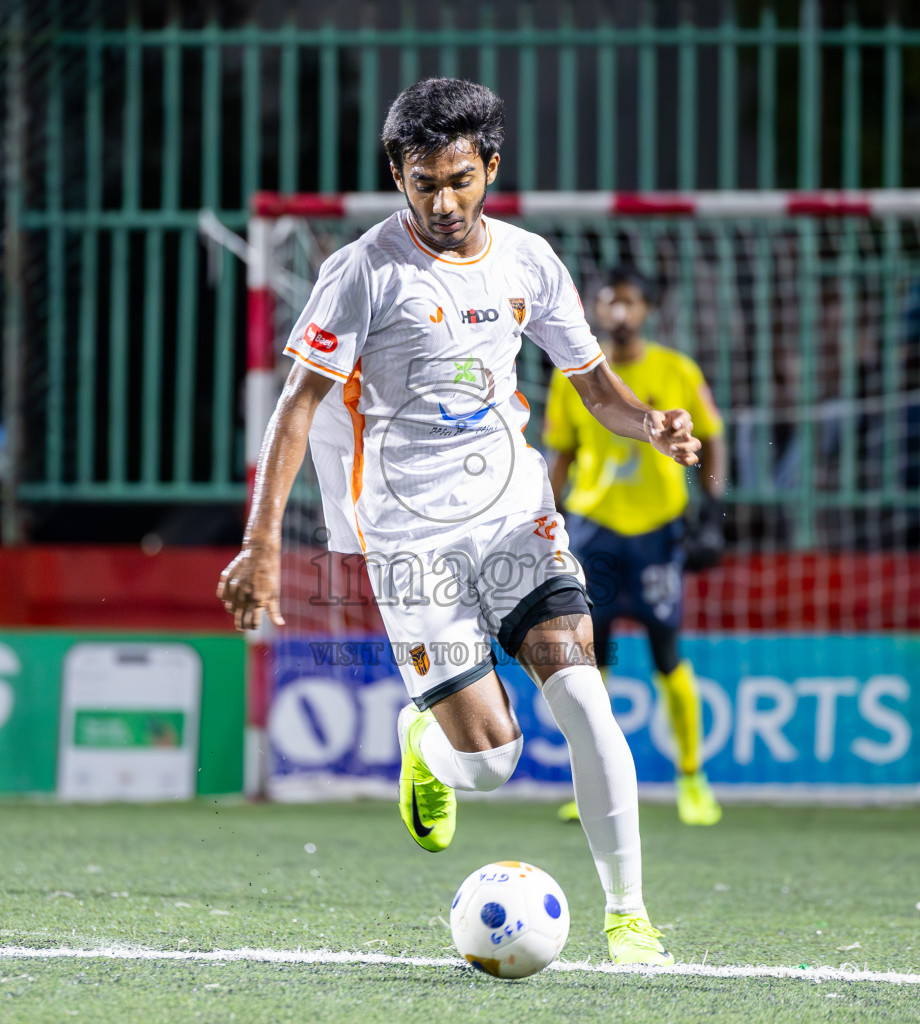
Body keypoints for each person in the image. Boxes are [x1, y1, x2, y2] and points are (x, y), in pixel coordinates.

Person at [218, 78, 700, 966]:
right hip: (409, 536)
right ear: (396, 174)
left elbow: (591, 383)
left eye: (460, 180)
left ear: (491, 167)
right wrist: (263, 541)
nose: (443, 202)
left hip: (516, 514)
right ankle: (423, 738)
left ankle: (629, 916)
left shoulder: (528, 261)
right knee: (488, 765)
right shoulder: (362, 271)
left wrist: (651, 423)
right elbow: (296, 405)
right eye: (422, 182)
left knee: (586, 698)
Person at [542, 265, 726, 827]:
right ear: (594, 311)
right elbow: (562, 457)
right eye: (607, 302)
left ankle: (692, 779)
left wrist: (712, 514)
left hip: (656, 531)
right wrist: (542, 526)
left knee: (668, 656)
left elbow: (713, 441)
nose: (618, 312)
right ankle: (593, 787)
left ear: (645, 310)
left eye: (628, 302)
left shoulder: (676, 369)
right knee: (591, 666)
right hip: (595, 529)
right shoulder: (571, 376)